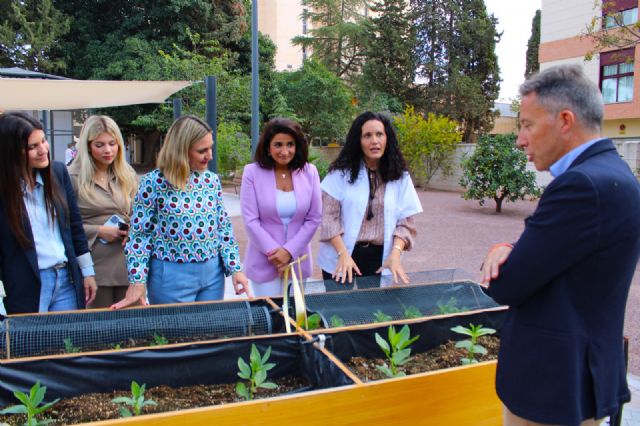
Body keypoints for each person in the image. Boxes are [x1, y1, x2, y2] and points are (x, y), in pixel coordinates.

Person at [480, 64, 640, 426]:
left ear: (565, 120)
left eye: (527, 124)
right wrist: (514, 246)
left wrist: (502, 251)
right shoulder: (614, 173)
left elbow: (507, 284)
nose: (520, 139)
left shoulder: (581, 186)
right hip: (580, 381)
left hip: (552, 391)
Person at [112, 115, 250, 309]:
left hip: (213, 275)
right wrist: (137, 280)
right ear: (181, 150)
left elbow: (223, 229)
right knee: (176, 336)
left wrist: (236, 269)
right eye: (202, 151)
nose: (210, 156)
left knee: (210, 336)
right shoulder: (154, 182)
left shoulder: (210, 180)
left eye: (211, 148)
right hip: (171, 278)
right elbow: (140, 236)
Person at [0, 112, 97, 314]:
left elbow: (75, 227)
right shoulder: (5, 191)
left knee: (67, 343)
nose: (43, 150)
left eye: (43, 141)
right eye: (32, 147)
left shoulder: (58, 172)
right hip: (26, 285)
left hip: (66, 278)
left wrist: (87, 272)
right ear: (11, 151)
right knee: (30, 344)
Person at [318, 111, 422, 289]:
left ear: (387, 139)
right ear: (358, 141)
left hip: (381, 258)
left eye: (379, 134)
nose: (375, 141)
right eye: (367, 135)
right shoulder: (339, 174)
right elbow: (328, 218)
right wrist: (343, 253)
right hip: (341, 254)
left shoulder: (400, 176)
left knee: (375, 313)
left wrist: (395, 254)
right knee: (339, 312)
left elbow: (406, 222)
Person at [240, 118, 321, 297]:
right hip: (264, 261)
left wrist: (289, 252)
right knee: (270, 318)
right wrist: (277, 256)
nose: (285, 151)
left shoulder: (310, 172)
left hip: (298, 260)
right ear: (268, 147)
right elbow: (250, 220)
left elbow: (314, 218)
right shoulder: (251, 173)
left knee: (296, 318)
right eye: (278, 145)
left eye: (290, 144)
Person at [68, 115, 138, 308]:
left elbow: (139, 215)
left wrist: (134, 227)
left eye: (112, 143)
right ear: (88, 146)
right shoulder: (71, 177)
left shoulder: (127, 174)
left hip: (128, 264)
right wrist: (98, 230)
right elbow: (63, 226)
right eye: (99, 145)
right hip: (94, 267)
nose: (108, 150)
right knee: (100, 331)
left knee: (134, 331)